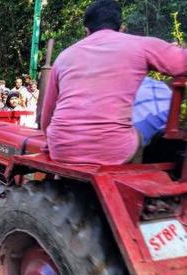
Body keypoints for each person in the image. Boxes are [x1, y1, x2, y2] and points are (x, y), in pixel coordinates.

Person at [41, 0, 186, 165]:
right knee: (139, 136)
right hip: (112, 151)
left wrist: (51, 141)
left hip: (61, 149)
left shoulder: (64, 56)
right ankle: (133, 185)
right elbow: (183, 63)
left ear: (86, 31)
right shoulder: (140, 45)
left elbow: (47, 116)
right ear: (121, 28)